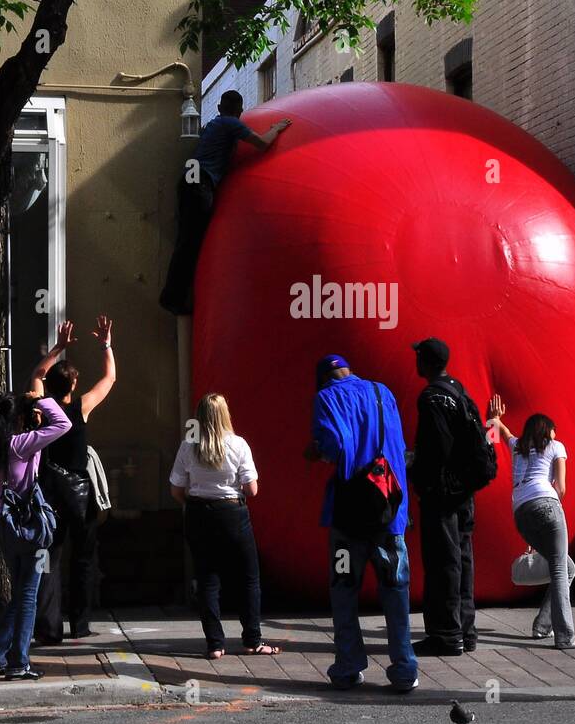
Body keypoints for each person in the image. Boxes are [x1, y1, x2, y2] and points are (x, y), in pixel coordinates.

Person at [306, 354, 419, 693]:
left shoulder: (325, 397)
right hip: (390, 511)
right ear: (349, 371)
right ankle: (404, 669)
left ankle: (349, 666)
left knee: (344, 590)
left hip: (349, 515)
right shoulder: (383, 392)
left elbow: (333, 445)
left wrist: (315, 452)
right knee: (396, 590)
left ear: (324, 378)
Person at [0, 388, 71, 680]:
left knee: (21, 593)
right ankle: (18, 661)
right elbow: (63, 423)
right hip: (34, 530)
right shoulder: (19, 445)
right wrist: (39, 401)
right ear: (18, 420)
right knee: (29, 596)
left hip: (6, 531)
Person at [159, 90, 291, 315]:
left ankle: (175, 296)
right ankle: (173, 298)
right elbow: (261, 143)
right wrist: (275, 129)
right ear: (239, 111)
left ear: (220, 108)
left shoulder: (214, 124)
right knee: (190, 244)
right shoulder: (231, 124)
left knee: (187, 242)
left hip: (190, 180)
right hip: (200, 183)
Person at [169, 393, 280, 659]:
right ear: (225, 415)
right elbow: (252, 489)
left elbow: (175, 489)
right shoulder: (238, 445)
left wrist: (194, 502)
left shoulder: (189, 445)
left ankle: (215, 645)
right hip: (232, 513)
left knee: (207, 580)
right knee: (248, 578)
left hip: (198, 513)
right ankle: (252, 640)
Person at [30, 316, 117, 643]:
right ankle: (80, 625)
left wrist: (58, 348)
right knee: (83, 559)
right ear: (73, 387)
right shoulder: (80, 408)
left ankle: (48, 628)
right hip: (80, 493)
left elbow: (38, 374)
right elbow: (109, 378)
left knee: (48, 559)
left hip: (50, 492)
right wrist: (106, 344)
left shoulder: (42, 409)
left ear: (50, 387)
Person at [485, 397, 575, 650]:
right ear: (548, 430)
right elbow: (561, 488)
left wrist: (492, 416)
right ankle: (565, 636)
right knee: (558, 568)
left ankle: (542, 626)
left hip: (521, 512)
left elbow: (496, 434)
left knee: (567, 569)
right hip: (547, 505)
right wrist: (556, 509)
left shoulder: (517, 446)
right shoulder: (556, 446)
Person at [410, 337, 479, 656]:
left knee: (442, 562)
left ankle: (445, 635)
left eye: (418, 357)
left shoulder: (433, 397)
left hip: (442, 493)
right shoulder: (459, 391)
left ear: (425, 362)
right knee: (463, 558)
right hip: (464, 492)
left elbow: (437, 447)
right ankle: (467, 631)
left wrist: (418, 473)